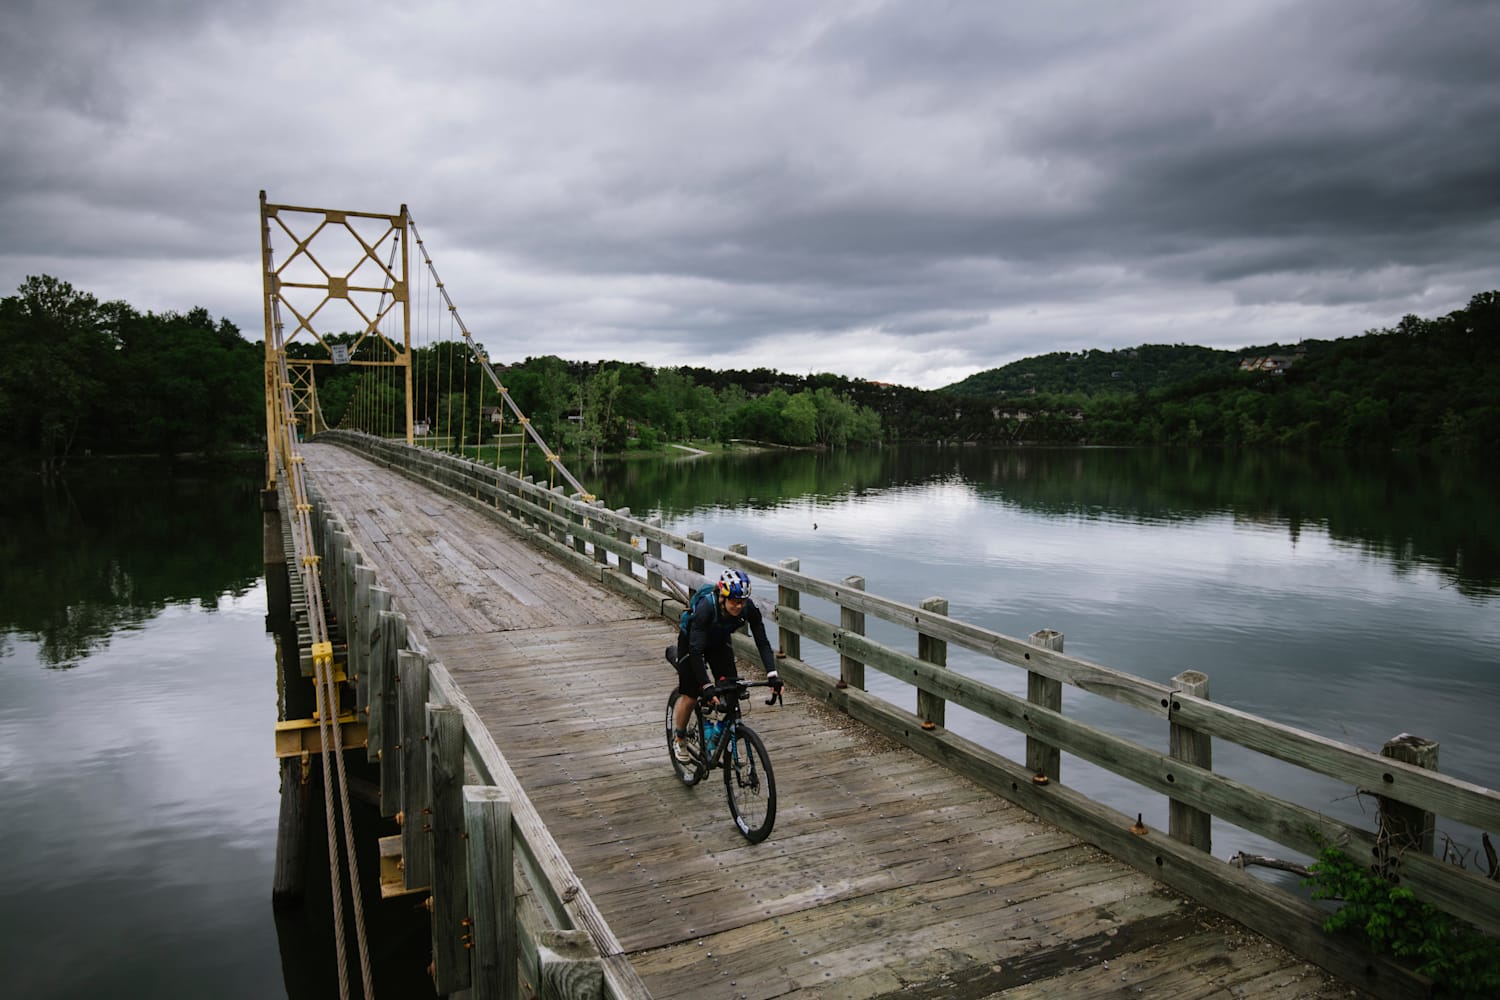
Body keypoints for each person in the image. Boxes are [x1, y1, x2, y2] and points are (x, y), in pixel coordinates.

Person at [672, 569, 782, 763]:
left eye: (742, 601)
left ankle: (726, 739)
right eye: (734, 601)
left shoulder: (749, 609)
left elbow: (763, 643)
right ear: (723, 597)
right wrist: (706, 686)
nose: (739, 606)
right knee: (690, 695)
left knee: (733, 690)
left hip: (718, 642)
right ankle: (680, 738)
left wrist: (773, 674)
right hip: (692, 643)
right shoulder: (707, 608)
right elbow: (696, 651)